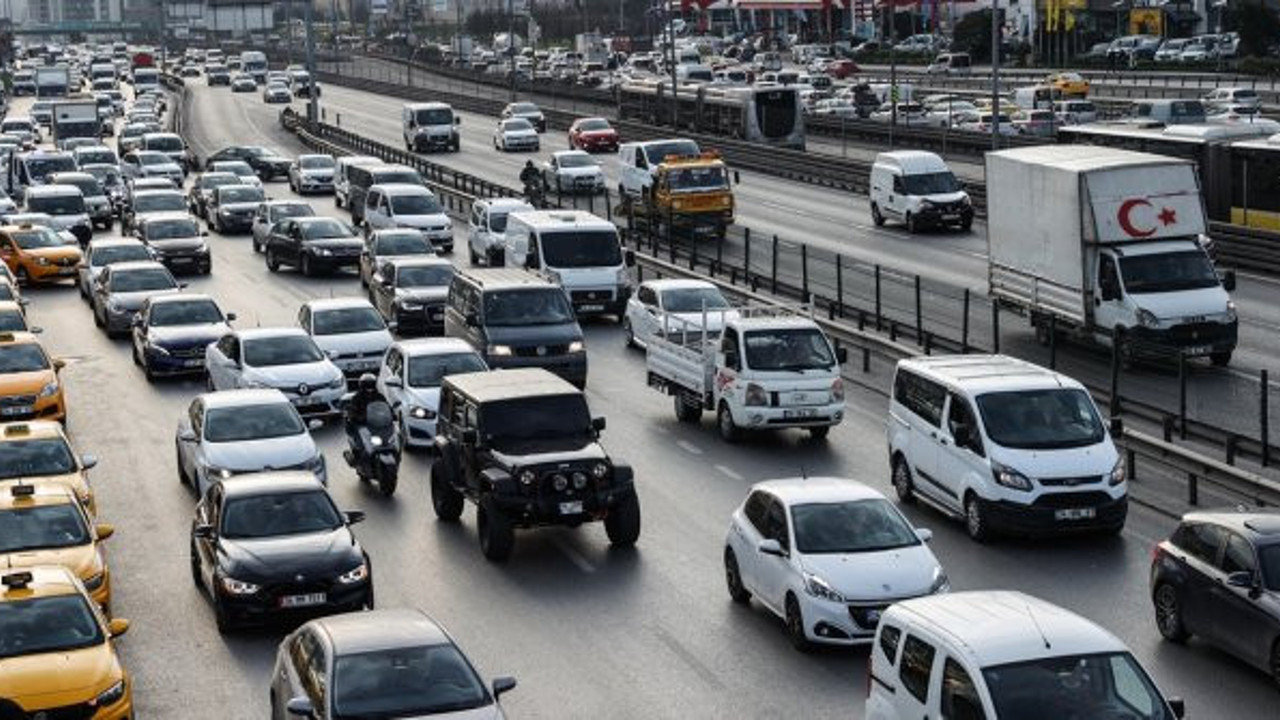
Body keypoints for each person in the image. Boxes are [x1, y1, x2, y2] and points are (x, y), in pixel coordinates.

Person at [344, 373, 381, 449]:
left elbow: (385, 405)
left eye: (371, 386)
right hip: (363, 425)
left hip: (377, 424)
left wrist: (392, 413)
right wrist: (355, 417)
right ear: (362, 386)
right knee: (360, 445)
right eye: (367, 386)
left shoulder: (379, 396)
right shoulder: (357, 398)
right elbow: (352, 409)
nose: (369, 389)